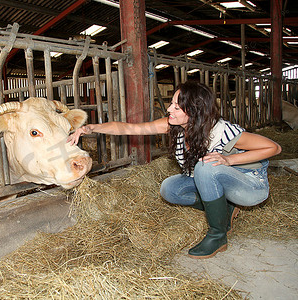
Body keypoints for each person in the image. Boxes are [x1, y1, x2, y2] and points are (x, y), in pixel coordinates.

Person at [67, 81, 281, 259]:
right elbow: (129, 128)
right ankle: (224, 210)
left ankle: (218, 235)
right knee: (170, 189)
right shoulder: (176, 127)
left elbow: (273, 147)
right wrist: (89, 128)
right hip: (219, 180)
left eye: (177, 107)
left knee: (207, 166)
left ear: (195, 111)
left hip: (250, 187)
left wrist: (229, 159)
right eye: (171, 104)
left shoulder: (220, 130)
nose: (169, 109)